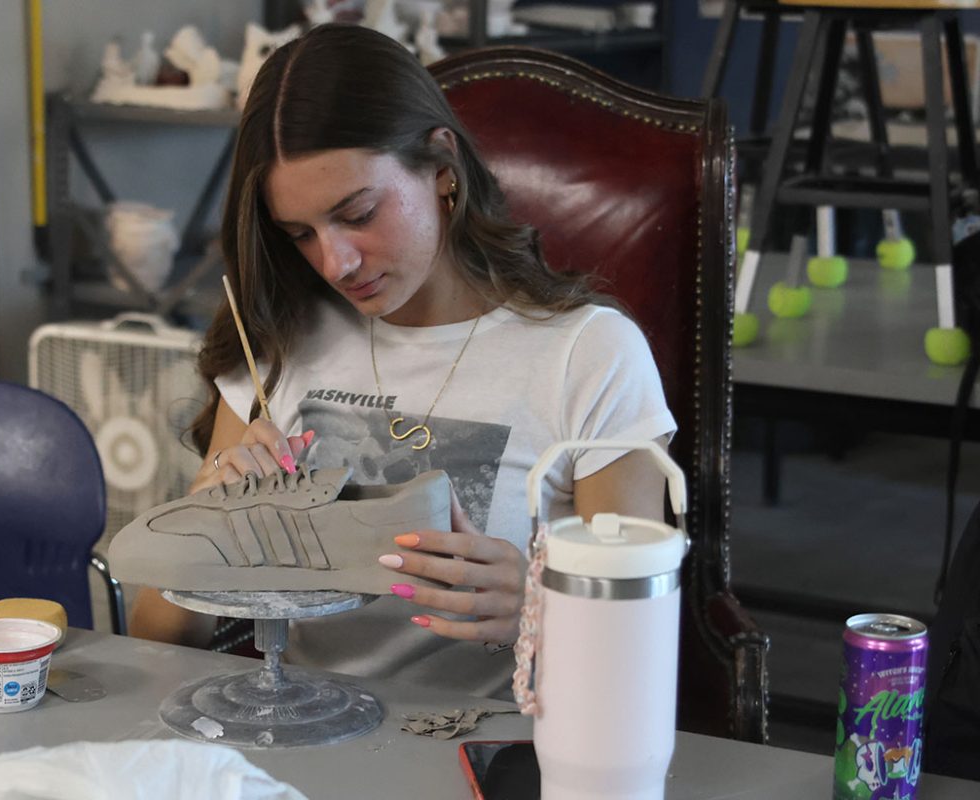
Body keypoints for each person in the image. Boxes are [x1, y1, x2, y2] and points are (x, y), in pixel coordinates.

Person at [129, 23, 676, 698]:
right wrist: (201, 530)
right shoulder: (281, 339)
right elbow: (156, 640)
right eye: (300, 234)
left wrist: (543, 611)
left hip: (502, 756)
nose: (336, 263)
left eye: (357, 213)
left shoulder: (588, 354)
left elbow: (641, 652)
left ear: (442, 170)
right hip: (305, 735)